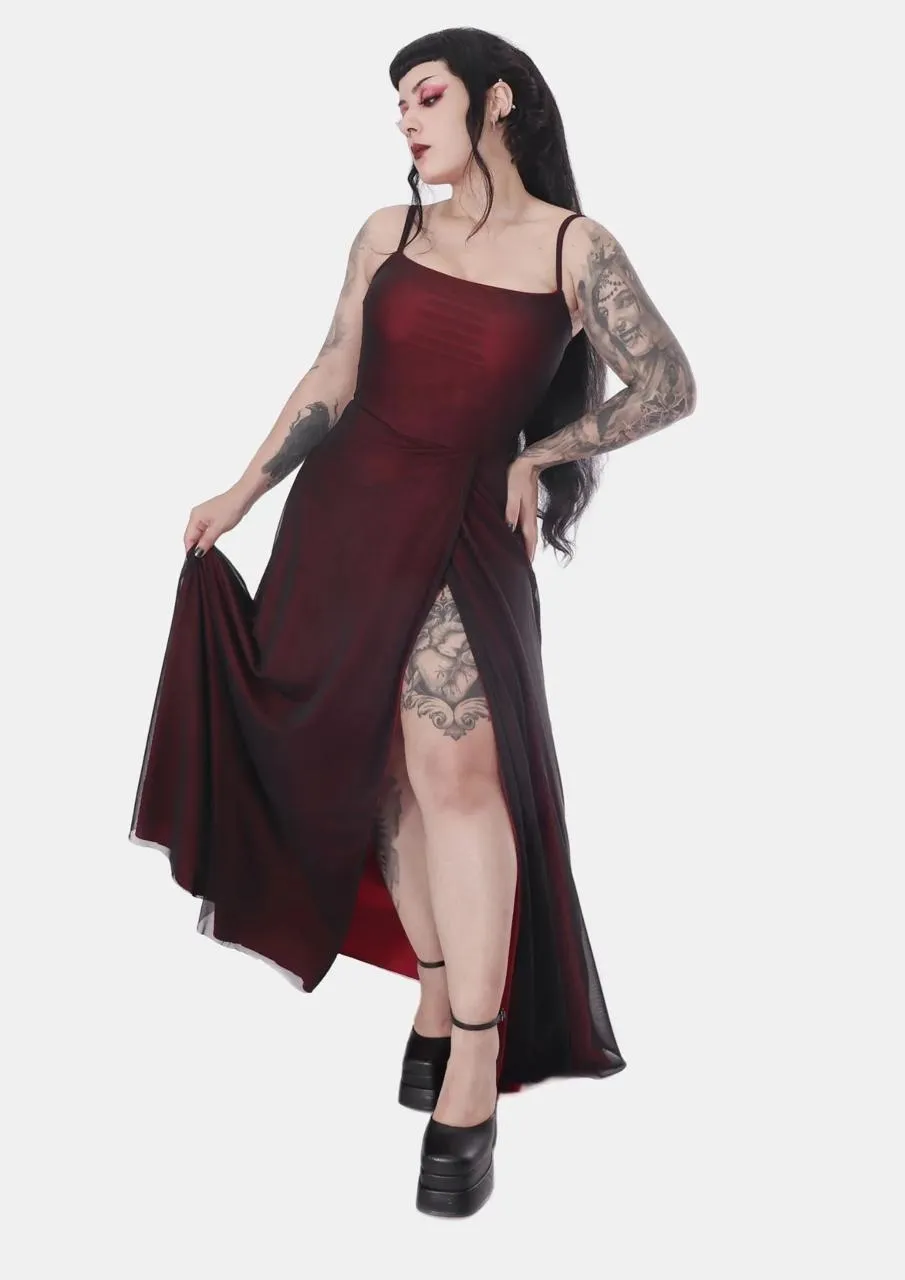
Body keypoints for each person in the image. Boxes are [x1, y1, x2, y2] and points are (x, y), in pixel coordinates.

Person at [129, 26, 697, 1219]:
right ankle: (435, 993)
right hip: (342, 521)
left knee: (456, 772)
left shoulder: (570, 245)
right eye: (395, 101)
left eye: (423, 93)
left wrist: (541, 453)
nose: (404, 115)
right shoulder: (385, 234)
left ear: (495, 101)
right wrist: (239, 491)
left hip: (463, 530)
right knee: (382, 771)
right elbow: (332, 375)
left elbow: (667, 382)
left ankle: (475, 1059)